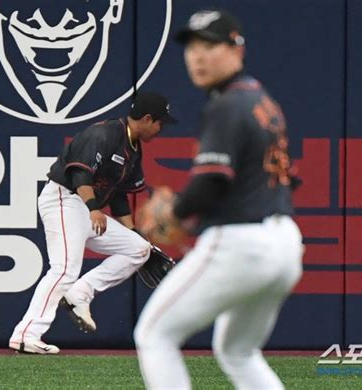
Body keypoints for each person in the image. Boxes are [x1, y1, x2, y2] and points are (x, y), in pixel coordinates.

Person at [134, 9, 304, 389]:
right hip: (286, 243)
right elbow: (286, 179)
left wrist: (175, 212)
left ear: (236, 49)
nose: (198, 56)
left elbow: (212, 182)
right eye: (192, 46)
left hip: (241, 244)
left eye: (210, 45)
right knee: (239, 352)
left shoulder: (227, 105)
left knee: (154, 335)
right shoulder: (261, 101)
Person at [9, 92, 178, 354]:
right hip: (65, 199)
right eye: (160, 123)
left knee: (139, 249)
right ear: (147, 119)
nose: (160, 128)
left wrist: (133, 233)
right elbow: (79, 174)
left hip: (87, 209)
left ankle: (81, 292)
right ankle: (26, 334)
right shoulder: (105, 134)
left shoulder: (133, 149)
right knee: (64, 268)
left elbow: (120, 197)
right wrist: (94, 208)